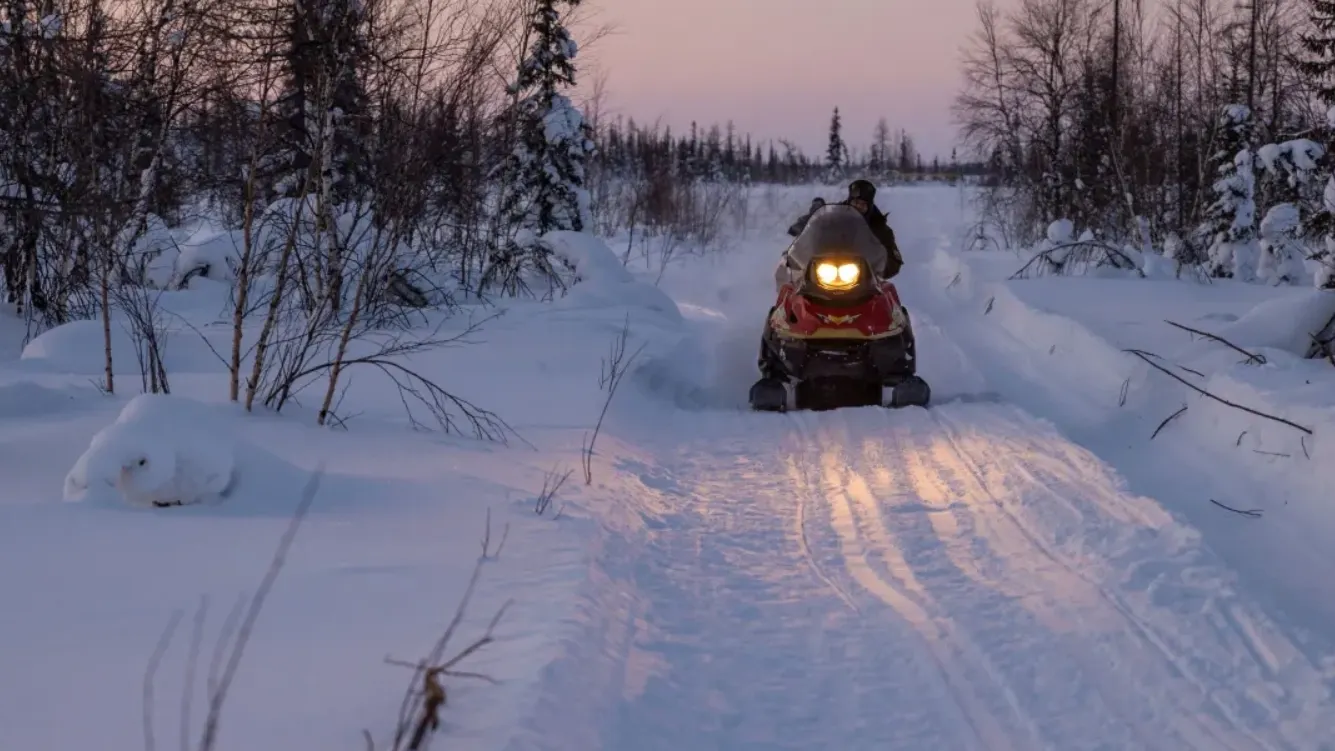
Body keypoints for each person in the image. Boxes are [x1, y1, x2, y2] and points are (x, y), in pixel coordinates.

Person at [787, 180, 903, 279]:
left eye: (863, 204)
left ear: (870, 206)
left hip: (864, 279)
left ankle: (892, 306)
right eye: (856, 202)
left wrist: (877, 269)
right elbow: (816, 222)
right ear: (849, 200)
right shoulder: (834, 215)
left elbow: (894, 261)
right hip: (825, 271)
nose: (859, 206)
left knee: (887, 292)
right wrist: (802, 227)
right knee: (792, 287)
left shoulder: (879, 227)